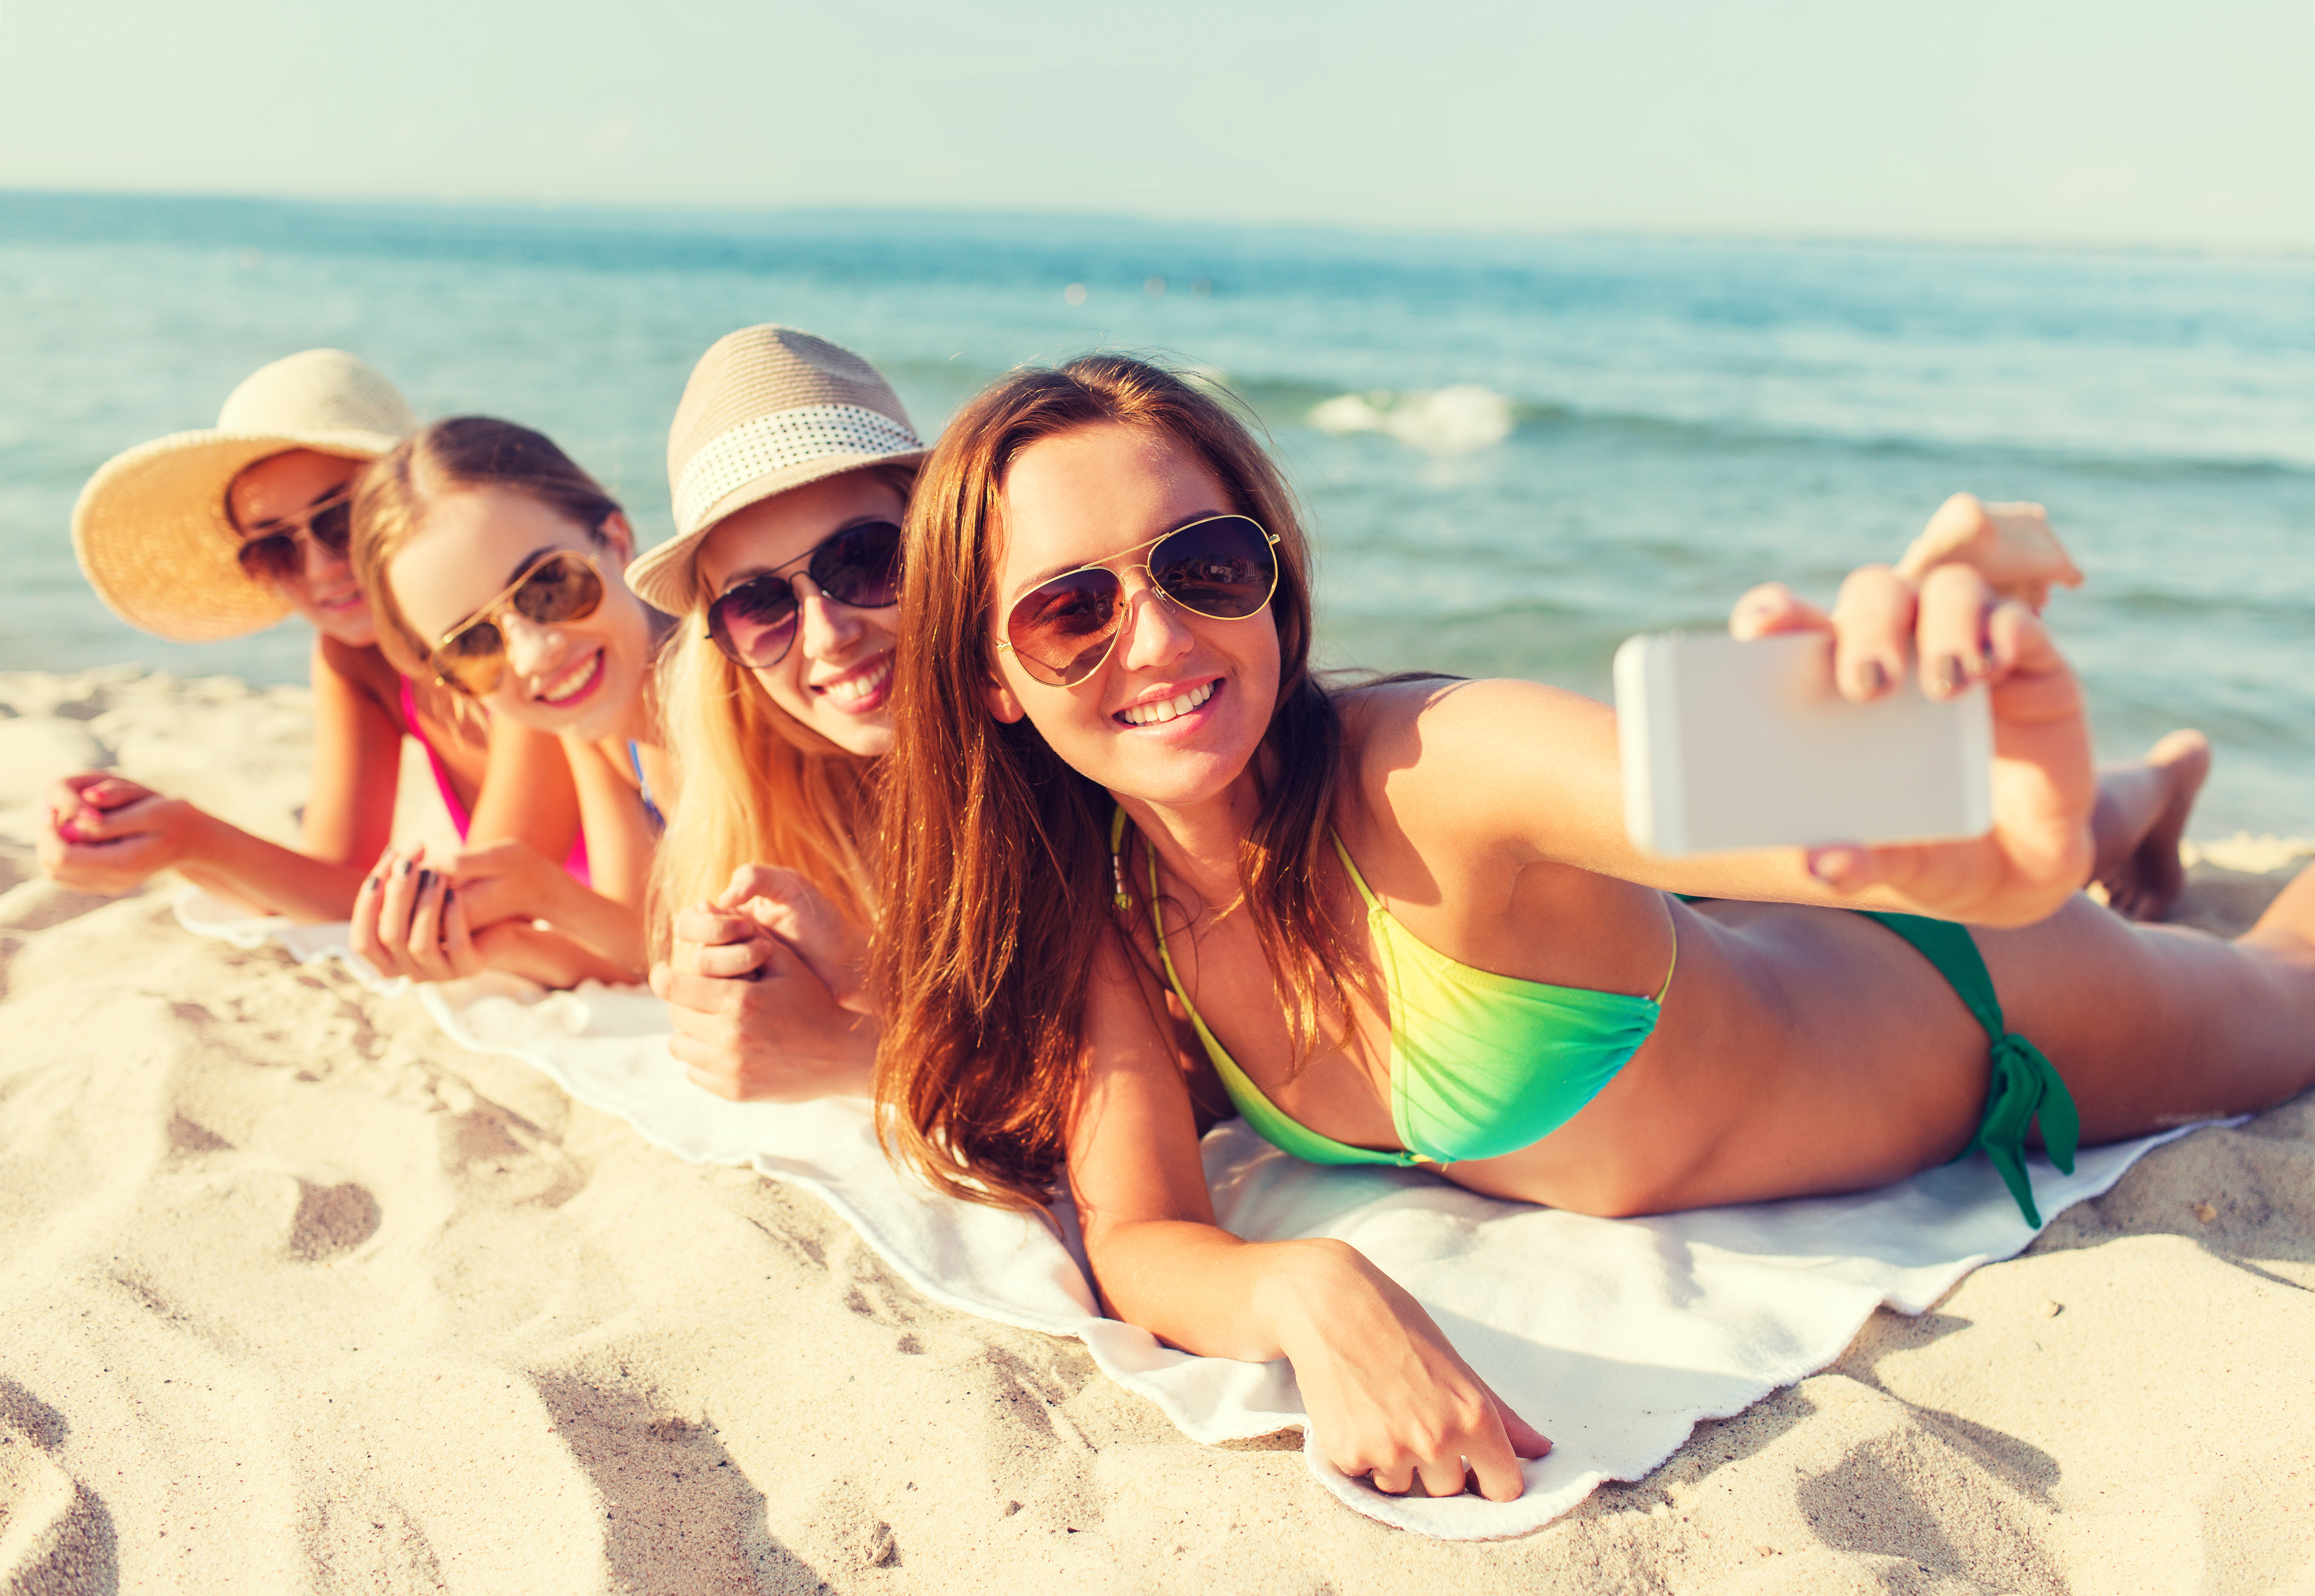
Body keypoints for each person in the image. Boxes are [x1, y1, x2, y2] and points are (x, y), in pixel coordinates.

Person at [868, 354, 2315, 1504]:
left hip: (1973, 992)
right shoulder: (1110, 908)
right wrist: (1305, 1289)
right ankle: (2156, 794)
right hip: (1753, 945)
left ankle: (2121, 810)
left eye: (1203, 566)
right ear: (993, 676)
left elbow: (1916, 851)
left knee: (2291, 989)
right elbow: (1144, 1232)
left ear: (1272, 575)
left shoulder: (1444, 768)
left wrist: (1998, 795)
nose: (1162, 637)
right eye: (1070, 612)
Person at [39, 350, 578, 921]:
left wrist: (191, 839)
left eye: (340, 521)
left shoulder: (523, 640)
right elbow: (338, 880)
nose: (319, 566)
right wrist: (154, 832)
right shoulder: (354, 658)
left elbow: (485, 906)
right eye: (275, 547)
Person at [627, 326, 929, 1101]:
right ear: (723, 645)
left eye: (862, 562)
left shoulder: (1065, 757)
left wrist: (859, 1055)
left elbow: (1181, 1084)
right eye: (760, 604)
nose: (828, 634)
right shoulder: (793, 811)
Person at [348, 417, 669, 987]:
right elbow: (646, 952)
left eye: (549, 587)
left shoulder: (737, 682)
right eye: (473, 644)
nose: (534, 653)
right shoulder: (594, 730)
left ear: (616, 541)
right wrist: (506, 936)